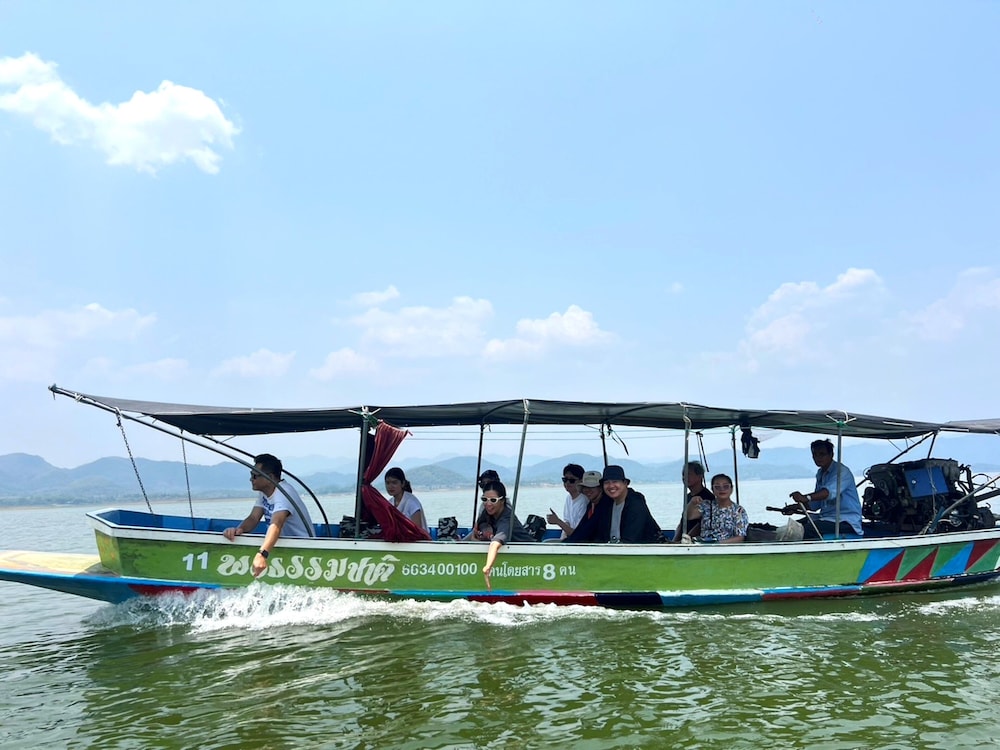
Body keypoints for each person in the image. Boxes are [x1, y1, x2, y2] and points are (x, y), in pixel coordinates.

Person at [223, 453, 314, 577]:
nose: (251, 479)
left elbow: (276, 524)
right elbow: (253, 518)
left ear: (269, 477)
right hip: (285, 546)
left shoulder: (283, 493)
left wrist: (262, 554)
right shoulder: (265, 493)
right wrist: (239, 530)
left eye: (255, 476)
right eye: (251, 475)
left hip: (302, 549)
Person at [784, 439, 863, 539]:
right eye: (815, 455)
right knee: (791, 527)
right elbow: (815, 504)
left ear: (831, 454)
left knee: (805, 530)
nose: (818, 458)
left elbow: (827, 493)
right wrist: (796, 507)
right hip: (826, 518)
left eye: (822, 454)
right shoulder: (820, 473)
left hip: (846, 521)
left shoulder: (841, 471)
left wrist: (805, 497)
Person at [565, 465, 662, 543]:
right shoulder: (607, 504)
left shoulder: (635, 503)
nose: (611, 486)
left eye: (615, 481)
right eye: (607, 482)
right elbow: (588, 531)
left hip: (650, 552)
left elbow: (631, 539)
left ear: (625, 483)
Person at [468, 480, 535, 586]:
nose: (488, 504)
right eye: (484, 499)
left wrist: (488, 566)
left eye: (493, 500)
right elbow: (477, 528)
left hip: (528, 553)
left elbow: (495, 544)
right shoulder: (487, 512)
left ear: (502, 500)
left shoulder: (507, 518)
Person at [680, 473, 749, 543]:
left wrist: (718, 544)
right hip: (703, 545)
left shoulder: (739, 511)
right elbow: (688, 516)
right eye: (717, 487)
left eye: (725, 486)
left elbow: (740, 537)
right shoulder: (706, 505)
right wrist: (692, 503)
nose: (722, 489)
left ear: (731, 489)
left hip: (726, 547)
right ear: (712, 489)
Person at [672, 461, 715, 541]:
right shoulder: (688, 496)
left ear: (700, 476)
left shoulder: (707, 497)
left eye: (688, 474)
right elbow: (683, 521)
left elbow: (701, 525)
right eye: (683, 475)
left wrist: (686, 539)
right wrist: (675, 541)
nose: (684, 477)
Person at [546, 463, 587, 539]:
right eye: (565, 480)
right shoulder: (569, 498)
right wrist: (562, 540)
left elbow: (578, 534)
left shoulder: (584, 501)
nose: (567, 483)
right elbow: (567, 522)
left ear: (581, 481)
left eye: (572, 480)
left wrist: (558, 521)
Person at [384, 466, 429, 533]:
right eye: (387, 483)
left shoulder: (411, 502)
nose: (390, 486)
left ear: (402, 483)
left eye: (394, 483)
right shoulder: (390, 503)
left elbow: (417, 530)